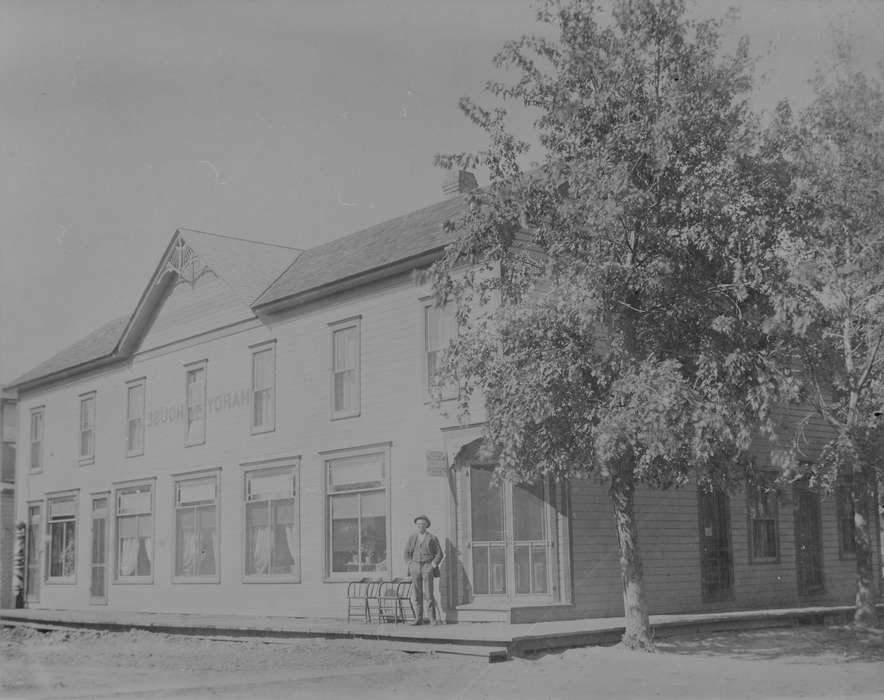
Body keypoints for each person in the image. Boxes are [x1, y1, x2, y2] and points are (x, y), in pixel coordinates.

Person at [403, 514, 443, 625]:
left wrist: (433, 564)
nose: (421, 526)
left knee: (429, 594)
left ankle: (432, 619)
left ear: (427, 525)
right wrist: (410, 563)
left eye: (423, 524)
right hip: (415, 566)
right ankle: (418, 619)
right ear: (416, 525)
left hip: (427, 566)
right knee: (417, 594)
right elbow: (406, 553)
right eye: (419, 524)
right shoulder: (412, 538)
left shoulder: (432, 538)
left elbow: (439, 553)